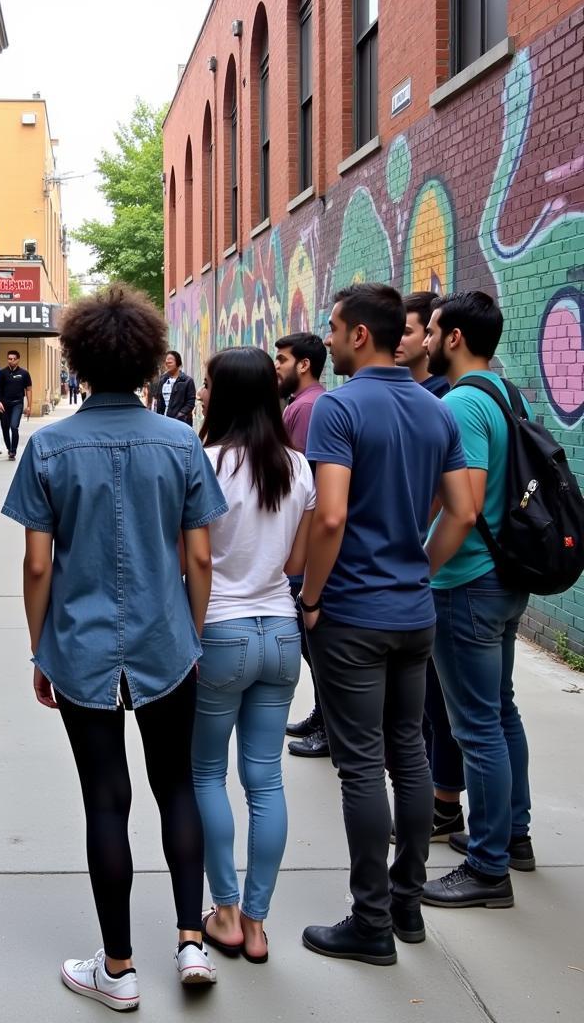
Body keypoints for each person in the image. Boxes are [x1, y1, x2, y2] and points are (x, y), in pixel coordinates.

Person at [3, 286, 227, 1012]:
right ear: (147, 361)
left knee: (106, 798)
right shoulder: (182, 442)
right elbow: (200, 558)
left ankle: (120, 968)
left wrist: (41, 648)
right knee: (178, 788)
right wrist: (192, 633)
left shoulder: (47, 446)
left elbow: (38, 565)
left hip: (80, 646)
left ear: (75, 360)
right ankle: (191, 941)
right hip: (168, 644)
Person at [298, 283, 477, 965]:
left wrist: (312, 596)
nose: (332, 340)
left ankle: (369, 921)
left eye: (336, 329)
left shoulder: (338, 410)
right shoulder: (437, 413)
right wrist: (421, 571)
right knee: (410, 752)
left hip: (351, 615)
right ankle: (406, 904)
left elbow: (331, 516)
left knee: (361, 767)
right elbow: (461, 511)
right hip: (412, 612)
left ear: (359, 336)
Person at [191, 347, 315, 965]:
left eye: (209, 383)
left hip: (221, 634)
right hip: (281, 635)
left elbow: (192, 561)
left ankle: (227, 912)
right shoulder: (297, 467)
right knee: (265, 780)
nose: (202, 391)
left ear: (228, 394)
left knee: (207, 774)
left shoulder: (204, 462)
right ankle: (260, 924)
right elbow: (297, 561)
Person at [421, 291, 535, 909]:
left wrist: (423, 570)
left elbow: (462, 510)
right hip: (505, 579)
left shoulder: (462, 404)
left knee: (476, 727)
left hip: (466, 582)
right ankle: (513, 835)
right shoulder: (505, 392)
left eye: (435, 329)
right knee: (502, 711)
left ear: (456, 337)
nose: (429, 339)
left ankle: (489, 869)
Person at [399, 291, 465, 842]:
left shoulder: (443, 403)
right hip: (431, 576)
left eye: (413, 329)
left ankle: (444, 810)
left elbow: (452, 503)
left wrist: (421, 560)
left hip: (440, 575)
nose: (405, 338)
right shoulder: (424, 397)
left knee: (443, 709)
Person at [274, 333, 330, 759]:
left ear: (304, 365)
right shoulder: (301, 405)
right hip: (302, 546)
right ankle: (323, 714)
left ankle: (331, 725)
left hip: (306, 549)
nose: (277, 366)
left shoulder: (308, 409)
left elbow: (308, 487)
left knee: (316, 645)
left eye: (283, 359)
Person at [398, 292, 451, 397]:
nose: (395, 339)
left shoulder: (445, 392)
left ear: (429, 334)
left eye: (406, 332)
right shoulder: (390, 388)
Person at [0, 349, 33, 460]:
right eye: (9, 359)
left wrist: (29, 406)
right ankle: (9, 447)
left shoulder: (24, 373)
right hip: (4, 405)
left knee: (14, 426)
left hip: (17, 404)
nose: (11, 361)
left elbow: (29, 390)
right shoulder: (2, 373)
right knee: (5, 428)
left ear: (18, 360)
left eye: (13, 359)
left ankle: (13, 451)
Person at [152, 350, 196, 423]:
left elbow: (190, 402)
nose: (167, 365)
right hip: (164, 421)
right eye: (166, 363)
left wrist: (180, 415)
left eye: (170, 363)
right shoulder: (163, 380)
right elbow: (160, 401)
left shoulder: (187, 381)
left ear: (178, 363)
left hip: (181, 423)